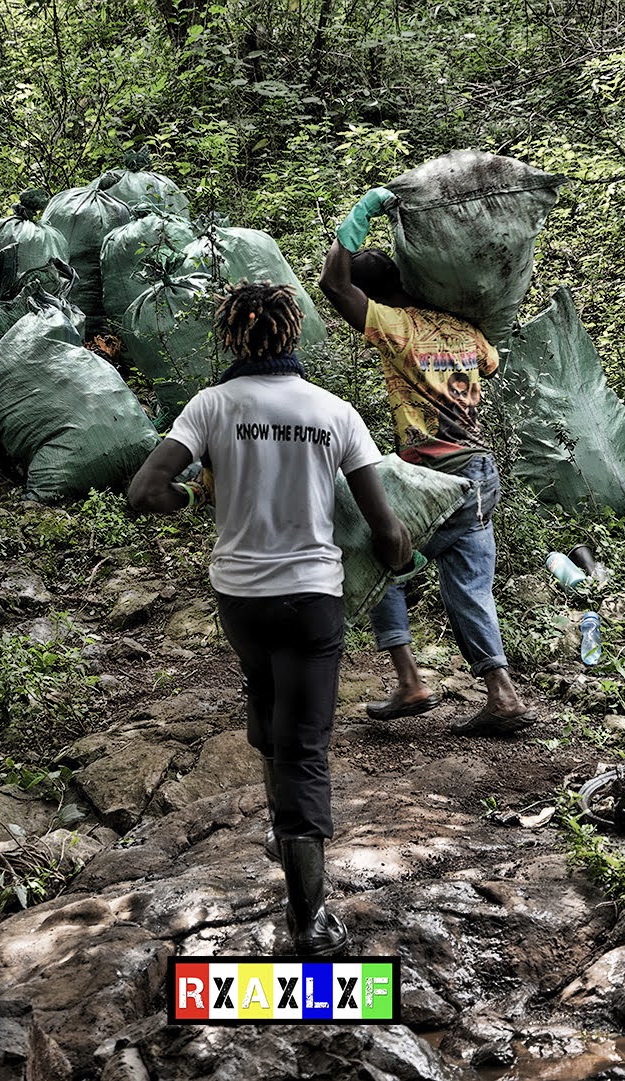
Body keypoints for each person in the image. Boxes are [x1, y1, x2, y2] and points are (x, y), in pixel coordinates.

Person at [128, 279, 412, 957]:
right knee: (305, 745)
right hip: (312, 598)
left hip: (242, 601)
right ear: (292, 334)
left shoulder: (212, 406)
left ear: (231, 336)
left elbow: (144, 490)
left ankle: (283, 830)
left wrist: (194, 500)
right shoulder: (334, 411)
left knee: (266, 698)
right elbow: (386, 531)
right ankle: (309, 919)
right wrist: (402, 545)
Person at [319, 190, 536, 736]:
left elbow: (333, 285)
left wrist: (361, 215)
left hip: (432, 475)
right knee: (469, 586)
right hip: (482, 474)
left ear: (380, 298)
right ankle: (502, 694)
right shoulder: (466, 330)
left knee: (376, 554)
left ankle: (409, 678)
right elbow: (489, 365)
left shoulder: (395, 327)